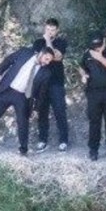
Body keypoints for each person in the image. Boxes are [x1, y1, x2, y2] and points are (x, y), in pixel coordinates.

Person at [0, 47, 54, 155]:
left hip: (22, 96)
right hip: (6, 90)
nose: (47, 62)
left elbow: (42, 93)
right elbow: (8, 60)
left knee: (23, 123)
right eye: (46, 59)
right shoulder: (25, 53)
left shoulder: (46, 73)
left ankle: (23, 150)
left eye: (49, 61)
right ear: (41, 53)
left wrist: (36, 109)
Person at [79, 34, 106, 160]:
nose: (97, 49)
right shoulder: (88, 52)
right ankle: (93, 149)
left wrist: (100, 57)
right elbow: (81, 66)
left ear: (104, 41)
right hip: (93, 92)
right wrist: (83, 75)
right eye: (94, 47)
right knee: (94, 122)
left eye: (99, 46)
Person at [32, 18, 70, 152]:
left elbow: (57, 57)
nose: (50, 32)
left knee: (60, 111)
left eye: (52, 30)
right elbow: (37, 60)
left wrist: (48, 41)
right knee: (42, 112)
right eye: (48, 29)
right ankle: (42, 140)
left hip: (56, 83)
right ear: (44, 28)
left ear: (57, 30)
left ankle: (64, 140)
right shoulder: (38, 43)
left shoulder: (61, 42)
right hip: (41, 83)